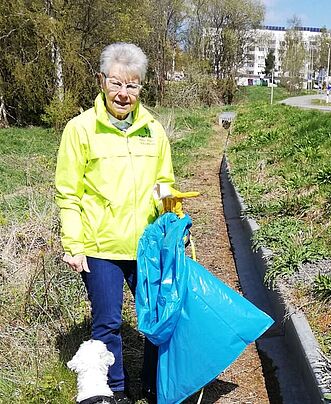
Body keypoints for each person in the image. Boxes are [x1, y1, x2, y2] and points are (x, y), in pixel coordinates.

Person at [55, 42, 173, 404]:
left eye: (133, 85)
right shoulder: (80, 129)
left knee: (156, 319)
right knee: (107, 323)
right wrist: (74, 245)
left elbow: (165, 182)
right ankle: (116, 392)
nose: (124, 94)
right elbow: (68, 193)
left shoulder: (154, 129)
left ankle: (155, 387)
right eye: (116, 83)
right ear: (101, 81)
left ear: (141, 87)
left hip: (146, 245)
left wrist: (173, 222)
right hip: (100, 245)